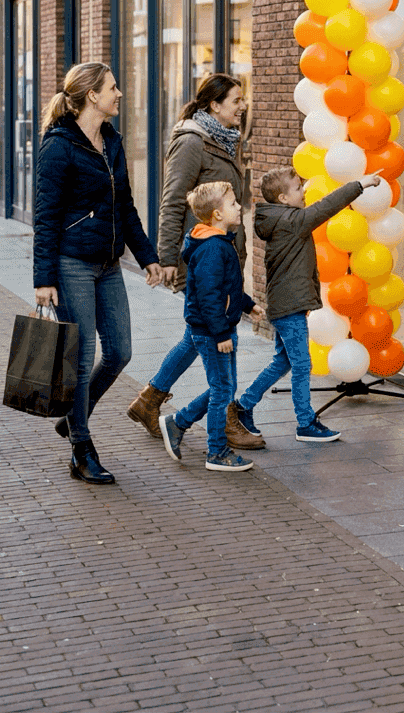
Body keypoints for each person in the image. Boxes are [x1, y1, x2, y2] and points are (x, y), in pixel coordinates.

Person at [33, 63, 163, 484]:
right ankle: (81, 449)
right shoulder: (58, 147)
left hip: (108, 264)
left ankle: (74, 419)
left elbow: (125, 206)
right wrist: (43, 279)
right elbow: (46, 217)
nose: (119, 93)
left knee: (121, 352)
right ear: (92, 96)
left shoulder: (111, 140)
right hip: (71, 263)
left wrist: (147, 257)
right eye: (112, 87)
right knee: (82, 355)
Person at [126, 73, 262, 451]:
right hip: (204, 259)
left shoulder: (224, 140)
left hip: (222, 255)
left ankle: (149, 400)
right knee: (220, 334)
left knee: (195, 335)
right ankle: (225, 417)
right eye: (236, 100)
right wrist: (167, 257)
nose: (242, 106)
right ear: (214, 105)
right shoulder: (192, 143)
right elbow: (171, 201)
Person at [231, 165, 382, 444]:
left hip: (286, 305)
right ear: (283, 199)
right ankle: (305, 422)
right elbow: (326, 206)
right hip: (288, 308)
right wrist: (359, 185)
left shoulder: (281, 218)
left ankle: (243, 406)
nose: (305, 191)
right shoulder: (293, 221)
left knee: (283, 362)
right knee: (302, 364)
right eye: (298, 188)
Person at [159, 182, 257, 472]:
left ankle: (178, 423)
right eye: (232, 204)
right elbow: (208, 295)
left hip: (215, 327)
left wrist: (248, 305)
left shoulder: (219, 242)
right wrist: (221, 334)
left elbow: (227, 287)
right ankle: (216, 452)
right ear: (217, 214)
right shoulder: (214, 247)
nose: (239, 207)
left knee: (223, 387)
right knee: (222, 390)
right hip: (212, 330)